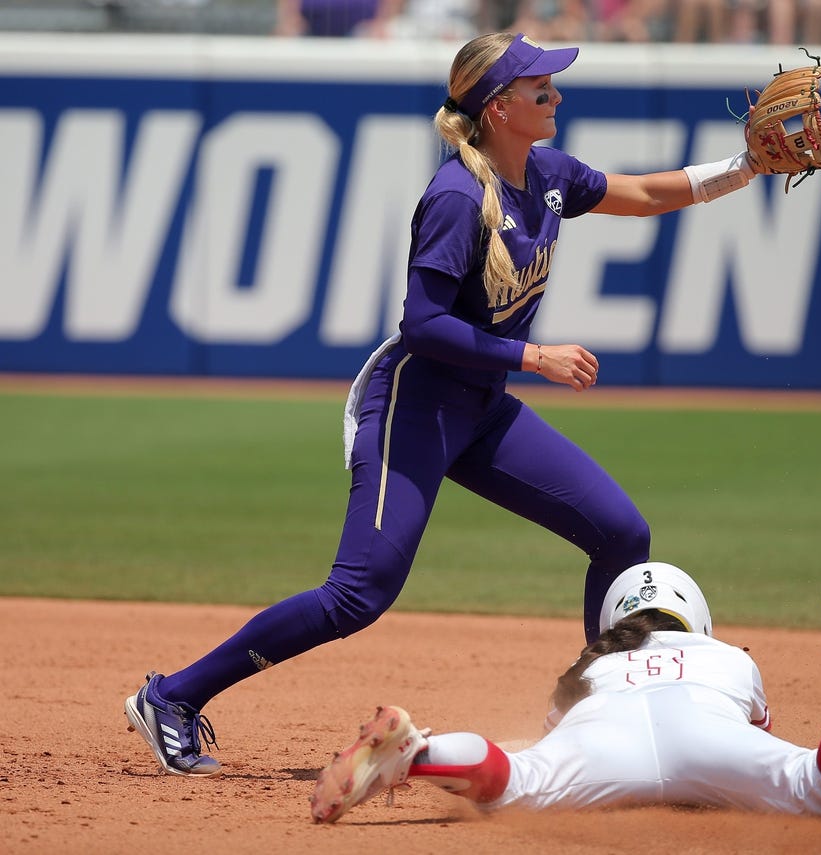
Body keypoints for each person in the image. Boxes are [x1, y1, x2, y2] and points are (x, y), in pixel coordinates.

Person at [125, 31, 768, 777]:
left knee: (622, 531)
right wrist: (535, 355)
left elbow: (647, 193)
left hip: (481, 407)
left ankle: (603, 705)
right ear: (499, 108)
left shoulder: (548, 175)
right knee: (358, 594)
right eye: (540, 88)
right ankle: (171, 695)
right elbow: (423, 326)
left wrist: (745, 167)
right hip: (417, 407)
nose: (555, 95)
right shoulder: (458, 197)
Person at [310, 562, 821, 822]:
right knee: (819, 787)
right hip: (708, 732)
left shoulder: (585, 668)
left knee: (515, 778)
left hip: (606, 743)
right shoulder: (729, 656)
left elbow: (551, 741)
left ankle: (418, 752)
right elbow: (757, 732)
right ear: (694, 615)